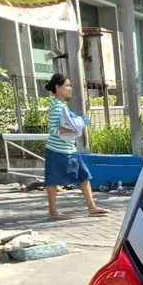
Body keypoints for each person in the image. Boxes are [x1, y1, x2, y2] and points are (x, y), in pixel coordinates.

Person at [43, 73, 108, 219]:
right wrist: (76, 127)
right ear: (57, 88)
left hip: (69, 149)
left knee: (83, 176)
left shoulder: (61, 105)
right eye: (67, 85)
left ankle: (92, 207)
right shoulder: (57, 107)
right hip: (57, 150)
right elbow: (54, 129)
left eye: (70, 85)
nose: (70, 88)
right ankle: (52, 211)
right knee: (52, 180)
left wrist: (77, 123)